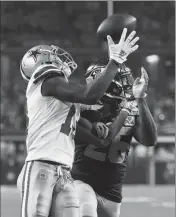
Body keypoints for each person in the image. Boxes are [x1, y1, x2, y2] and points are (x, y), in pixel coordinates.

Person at [17, 28, 139, 217]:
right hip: (41, 165)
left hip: (65, 173)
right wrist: (114, 62)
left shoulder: (66, 106)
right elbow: (89, 95)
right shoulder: (46, 79)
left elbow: (103, 139)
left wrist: (123, 110)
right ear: (40, 61)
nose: (58, 57)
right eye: (51, 54)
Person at [69, 16, 157, 217]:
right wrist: (127, 109)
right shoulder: (83, 107)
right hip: (81, 182)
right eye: (120, 78)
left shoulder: (127, 107)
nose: (126, 82)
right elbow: (103, 139)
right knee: (86, 211)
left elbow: (150, 140)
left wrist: (141, 100)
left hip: (113, 192)